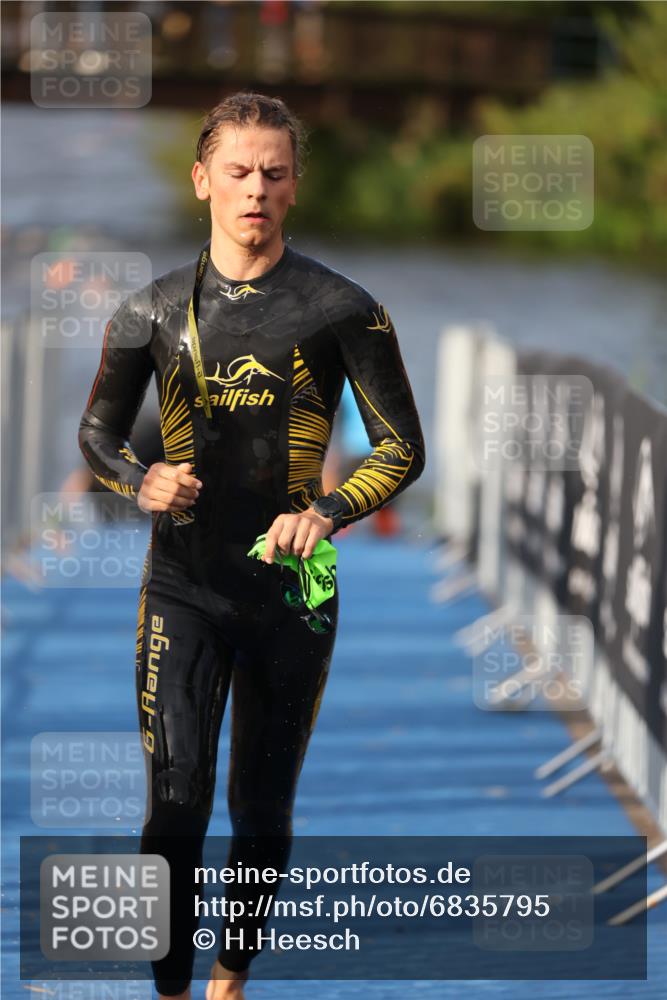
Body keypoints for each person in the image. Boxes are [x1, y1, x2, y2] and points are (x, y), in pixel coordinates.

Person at [79, 92, 425, 1000]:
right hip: (183, 584)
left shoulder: (342, 308)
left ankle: (228, 983)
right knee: (175, 805)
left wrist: (331, 511)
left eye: (274, 173)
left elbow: (401, 447)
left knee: (260, 808)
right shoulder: (148, 313)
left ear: (295, 187)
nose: (255, 190)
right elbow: (97, 439)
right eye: (236, 171)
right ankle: (169, 992)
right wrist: (137, 480)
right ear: (202, 181)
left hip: (296, 585)